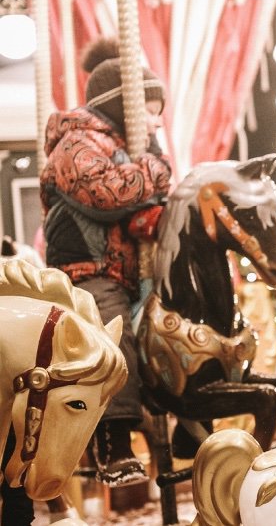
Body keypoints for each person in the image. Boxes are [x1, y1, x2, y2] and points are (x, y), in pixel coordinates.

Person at [39, 37, 171, 487]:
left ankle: (193, 425)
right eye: (150, 109)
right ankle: (114, 442)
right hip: (87, 270)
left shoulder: (124, 147)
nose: (156, 121)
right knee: (114, 333)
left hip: (127, 270)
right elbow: (108, 194)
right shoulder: (75, 143)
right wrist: (154, 169)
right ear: (121, 106)